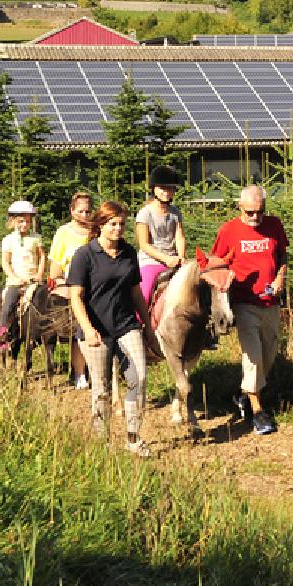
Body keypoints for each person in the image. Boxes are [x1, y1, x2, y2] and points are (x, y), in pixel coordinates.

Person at [66, 201, 153, 457]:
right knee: (102, 388)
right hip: (96, 330)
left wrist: (147, 325)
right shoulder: (86, 255)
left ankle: (133, 437)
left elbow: (136, 291)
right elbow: (75, 296)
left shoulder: (128, 253)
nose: (118, 229)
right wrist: (88, 328)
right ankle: (101, 441)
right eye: (112, 224)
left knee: (140, 378)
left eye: (122, 224)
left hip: (126, 325)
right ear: (101, 225)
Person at [205, 184, 287, 435]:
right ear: (240, 207)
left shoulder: (274, 226)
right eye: (250, 212)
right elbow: (214, 264)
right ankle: (258, 412)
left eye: (259, 212)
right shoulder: (229, 230)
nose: (255, 217)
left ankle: (243, 395)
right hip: (243, 302)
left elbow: (282, 255)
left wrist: (280, 278)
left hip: (270, 302)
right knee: (252, 356)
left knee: (269, 354)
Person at [48, 191, 96, 389]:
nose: (85, 215)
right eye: (80, 211)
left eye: (88, 211)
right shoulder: (63, 233)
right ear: (72, 211)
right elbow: (55, 269)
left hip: (96, 285)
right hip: (73, 285)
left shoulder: (96, 231)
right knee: (80, 328)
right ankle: (79, 372)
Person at [0, 200, 47, 352]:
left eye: (27, 221)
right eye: (21, 221)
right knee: (8, 306)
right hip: (16, 281)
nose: (24, 224)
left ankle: (43, 335)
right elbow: (5, 262)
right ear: (13, 221)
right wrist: (14, 277)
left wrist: (39, 274)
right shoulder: (8, 240)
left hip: (33, 280)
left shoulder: (36, 238)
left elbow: (42, 256)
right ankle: (3, 337)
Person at [134, 168, 185, 306]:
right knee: (144, 294)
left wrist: (181, 257)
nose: (166, 192)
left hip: (174, 259)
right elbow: (144, 245)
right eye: (162, 188)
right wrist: (166, 259)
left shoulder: (175, 212)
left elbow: (179, 236)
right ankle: (138, 323)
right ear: (154, 189)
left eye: (170, 188)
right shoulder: (145, 213)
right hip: (151, 261)